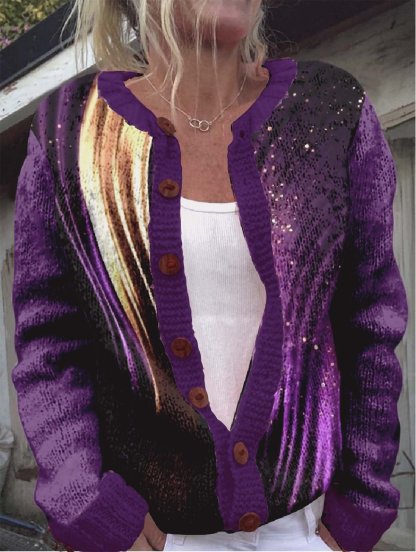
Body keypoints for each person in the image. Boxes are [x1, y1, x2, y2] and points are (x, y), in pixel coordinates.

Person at [11, 0, 408, 551]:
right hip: (141, 536)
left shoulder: (332, 110)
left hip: (305, 533)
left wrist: (359, 509)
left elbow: (370, 325)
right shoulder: (72, 130)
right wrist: (86, 507)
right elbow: (50, 343)